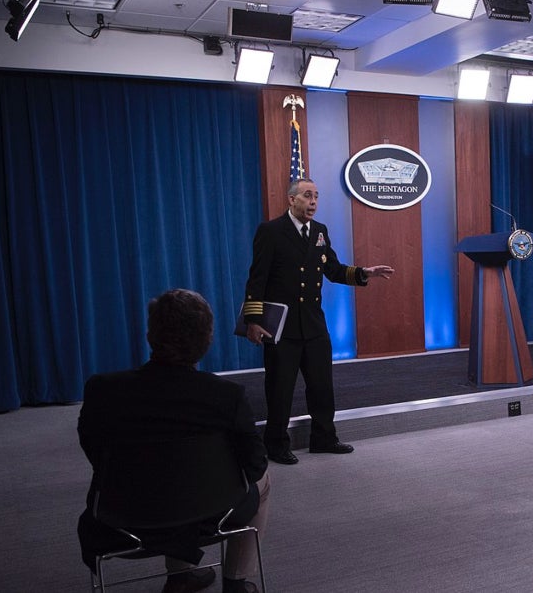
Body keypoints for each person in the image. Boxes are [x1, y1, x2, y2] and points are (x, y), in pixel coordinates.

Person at [78, 289, 270, 593]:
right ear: (207, 339)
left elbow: (94, 451)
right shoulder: (226, 396)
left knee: (166, 480)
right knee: (265, 481)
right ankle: (235, 582)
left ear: (150, 334)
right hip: (212, 515)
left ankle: (180, 578)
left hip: (122, 518)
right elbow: (256, 465)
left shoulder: (103, 391)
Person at [243, 177, 394, 465]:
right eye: (307, 196)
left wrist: (364, 273)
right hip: (282, 328)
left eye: (316, 197)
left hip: (313, 325)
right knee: (279, 388)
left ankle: (324, 438)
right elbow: (257, 278)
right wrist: (253, 320)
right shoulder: (271, 231)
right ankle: (275, 445)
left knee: (322, 386)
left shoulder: (320, 232)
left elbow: (334, 270)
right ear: (292, 200)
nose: (313, 202)